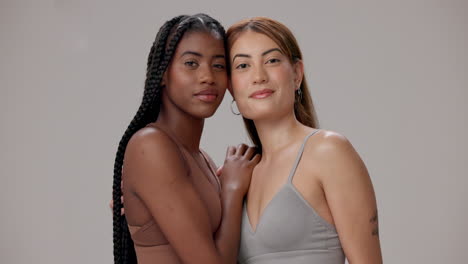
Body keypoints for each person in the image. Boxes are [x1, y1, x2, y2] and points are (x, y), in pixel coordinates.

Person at [226, 17, 383, 264]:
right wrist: (230, 189)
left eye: (272, 60)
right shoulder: (241, 173)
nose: (258, 76)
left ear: (297, 73)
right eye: (243, 66)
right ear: (230, 86)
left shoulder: (328, 151)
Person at [111, 14, 260, 264]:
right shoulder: (150, 146)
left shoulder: (203, 160)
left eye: (219, 65)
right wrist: (233, 190)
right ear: (162, 74)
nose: (208, 77)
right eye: (191, 63)